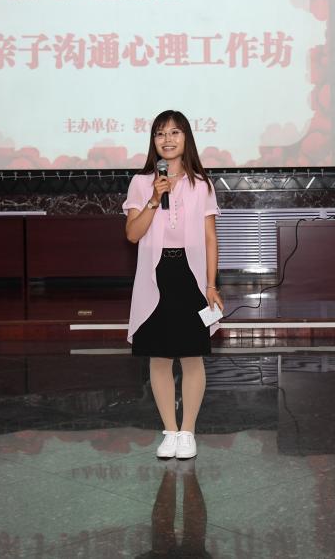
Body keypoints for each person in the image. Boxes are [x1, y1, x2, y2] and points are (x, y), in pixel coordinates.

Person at [123, 110, 223, 459]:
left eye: (175, 132)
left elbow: (210, 238)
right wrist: (154, 198)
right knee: (160, 357)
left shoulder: (202, 184)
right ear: (153, 141)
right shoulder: (141, 182)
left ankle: (188, 431)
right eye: (160, 133)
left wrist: (211, 285)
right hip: (156, 275)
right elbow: (133, 234)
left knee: (192, 356)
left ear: (186, 139)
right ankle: (169, 431)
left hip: (190, 275)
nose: (167, 139)